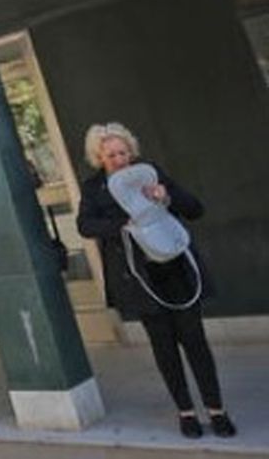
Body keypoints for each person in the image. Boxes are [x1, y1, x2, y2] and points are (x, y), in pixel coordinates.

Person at [75, 122, 236, 439]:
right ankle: (186, 412)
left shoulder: (151, 174)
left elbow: (195, 209)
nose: (119, 159)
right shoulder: (94, 188)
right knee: (164, 347)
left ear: (131, 151)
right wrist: (124, 223)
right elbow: (85, 226)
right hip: (138, 277)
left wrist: (167, 196)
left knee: (196, 343)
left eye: (123, 152)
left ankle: (217, 410)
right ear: (99, 157)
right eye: (111, 155)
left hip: (176, 270)